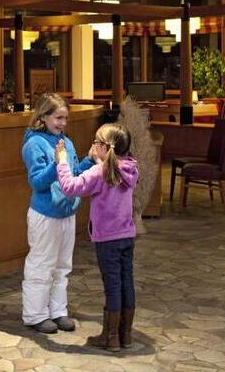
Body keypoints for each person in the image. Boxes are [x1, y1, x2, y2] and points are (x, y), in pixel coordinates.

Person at [55, 122, 139, 352]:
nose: (92, 146)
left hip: (107, 240)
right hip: (127, 236)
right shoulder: (130, 167)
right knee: (126, 282)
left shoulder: (100, 172)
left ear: (103, 146)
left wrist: (62, 161)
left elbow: (70, 187)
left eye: (95, 142)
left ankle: (110, 338)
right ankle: (125, 335)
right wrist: (98, 160)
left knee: (112, 286)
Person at [20, 93, 94, 334]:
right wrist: (56, 163)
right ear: (43, 116)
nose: (63, 123)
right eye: (58, 118)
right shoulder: (34, 144)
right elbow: (37, 182)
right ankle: (35, 314)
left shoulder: (66, 142)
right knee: (42, 265)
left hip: (67, 212)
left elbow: (72, 174)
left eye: (65, 118)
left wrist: (90, 160)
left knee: (63, 266)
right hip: (45, 214)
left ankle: (58, 311)